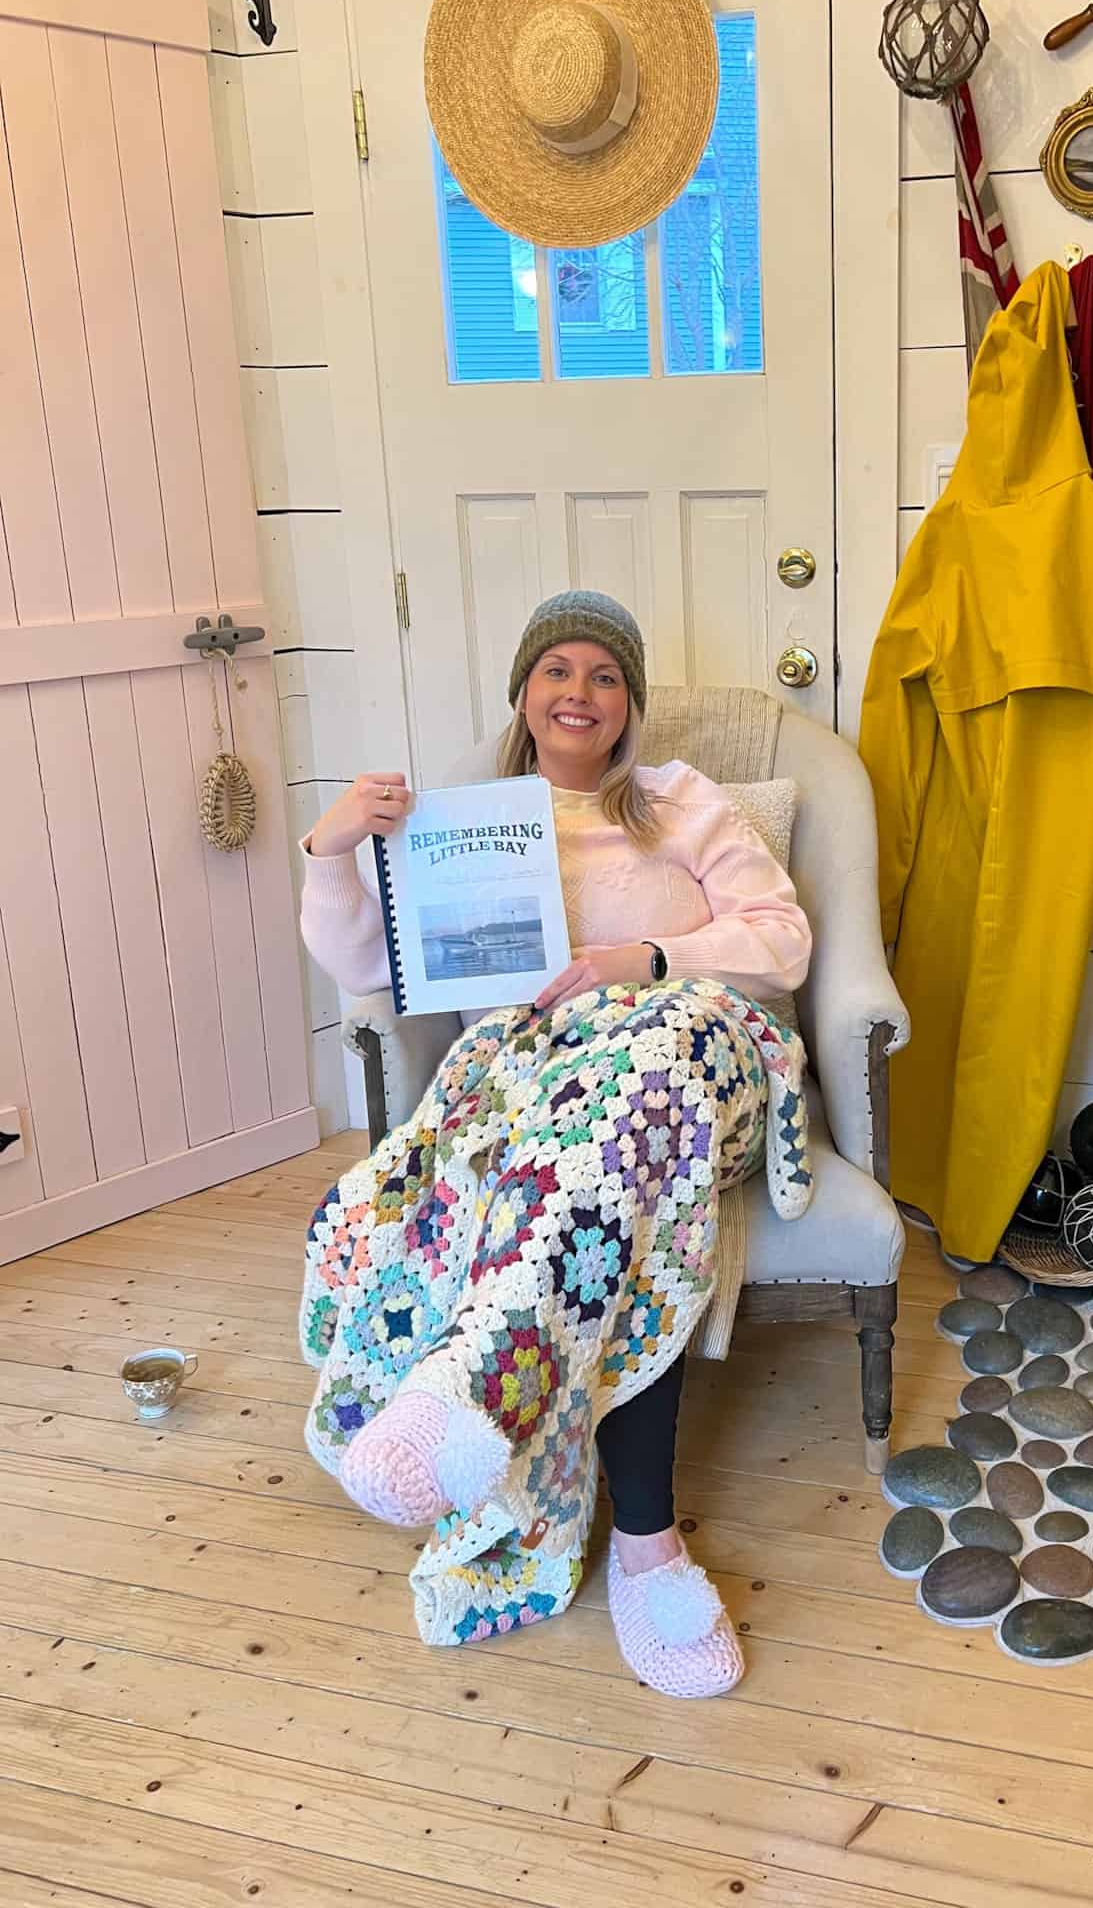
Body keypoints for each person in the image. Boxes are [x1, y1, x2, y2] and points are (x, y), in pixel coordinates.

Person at [298, 591, 811, 1695]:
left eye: (605, 675)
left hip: (691, 1052)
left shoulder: (683, 802)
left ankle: (474, 1387)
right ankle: (647, 1547)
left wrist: (651, 961)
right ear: (524, 692)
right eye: (558, 671)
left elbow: (784, 940)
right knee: (604, 1205)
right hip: (544, 1094)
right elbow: (370, 969)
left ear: (630, 702)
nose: (580, 694)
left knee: (642, 1079)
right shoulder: (458, 822)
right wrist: (331, 850)